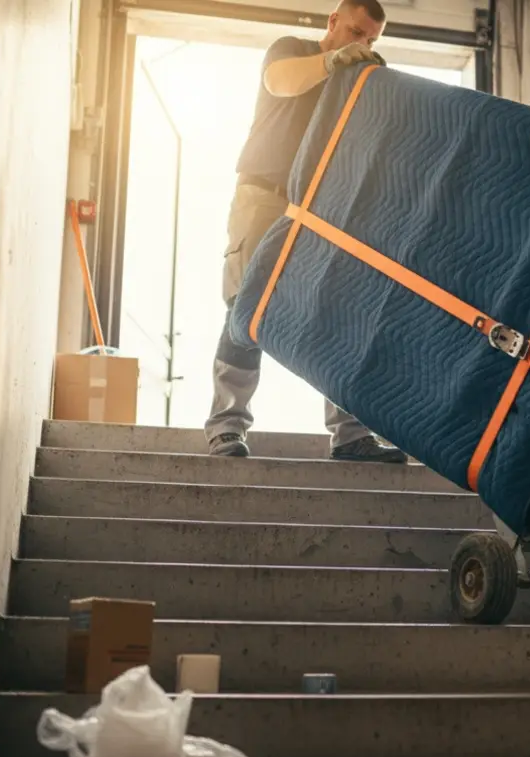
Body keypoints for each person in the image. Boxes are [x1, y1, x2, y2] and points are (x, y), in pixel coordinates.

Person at [206, 0, 407, 464]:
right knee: (245, 308)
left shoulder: (357, 88)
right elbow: (281, 81)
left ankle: (351, 435)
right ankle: (226, 428)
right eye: (356, 32)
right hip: (265, 196)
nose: (361, 44)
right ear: (333, 21)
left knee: (337, 311)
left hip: (323, 211)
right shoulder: (291, 50)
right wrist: (332, 61)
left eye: (371, 40)